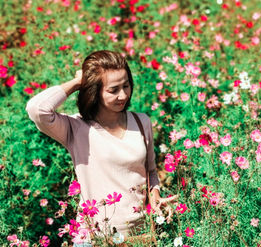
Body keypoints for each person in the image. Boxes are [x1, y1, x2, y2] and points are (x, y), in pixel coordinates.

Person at [26, 50, 174, 243]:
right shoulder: (77, 128)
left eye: (126, 86)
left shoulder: (141, 122)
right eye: (113, 90)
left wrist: (155, 197)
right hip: (93, 238)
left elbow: (151, 172)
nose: (123, 95)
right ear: (94, 90)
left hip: (140, 236)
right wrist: (77, 83)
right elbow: (37, 109)